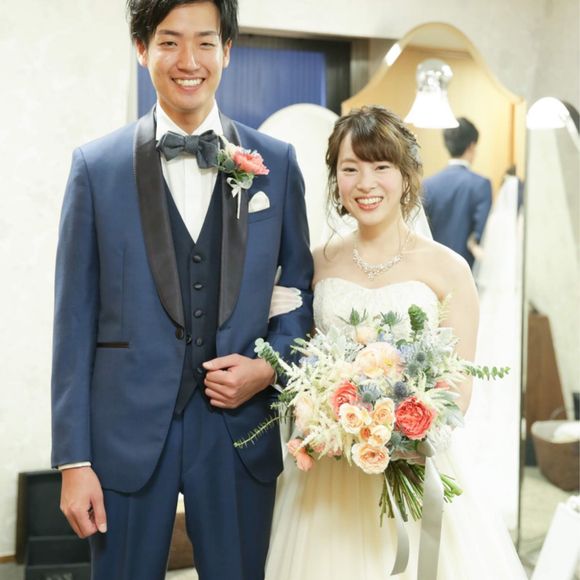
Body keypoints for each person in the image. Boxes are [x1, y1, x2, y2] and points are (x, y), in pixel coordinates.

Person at [51, 1, 313, 578]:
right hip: (125, 433)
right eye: (169, 42)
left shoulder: (277, 163)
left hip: (238, 429)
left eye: (205, 42)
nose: (188, 61)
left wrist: (268, 368)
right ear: (141, 49)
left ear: (227, 51)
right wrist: (73, 459)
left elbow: (298, 292)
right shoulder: (96, 168)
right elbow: (73, 319)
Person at [265, 106, 526, 579]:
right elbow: (301, 362)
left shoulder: (449, 269)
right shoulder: (315, 262)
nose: (366, 183)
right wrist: (328, 416)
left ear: (406, 176)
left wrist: (402, 433)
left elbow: (460, 383)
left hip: (415, 462)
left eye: (381, 166)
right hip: (330, 470)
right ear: (336, 180)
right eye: (351, 169)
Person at [423, 117, 492, 268]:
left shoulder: (428, 185)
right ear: (472, 146)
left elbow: (422, 231)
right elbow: (482, 234)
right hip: (467, 268)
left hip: (433, 267)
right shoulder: (481, 185)